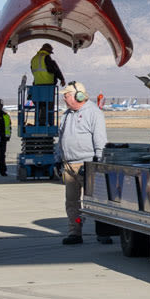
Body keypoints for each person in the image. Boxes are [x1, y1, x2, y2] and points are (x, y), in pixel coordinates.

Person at [57, 80, 108, 245]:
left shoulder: (94, 113)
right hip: (69, 165)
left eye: (66, 95)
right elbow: (61, 139)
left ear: (78, 96)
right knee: (72, 203)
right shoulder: (66, 115)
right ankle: (75, 232)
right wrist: (59, 159)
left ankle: (103, 232)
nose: (64, 99)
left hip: (87, 165)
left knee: (95, 202)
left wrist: (98, 164)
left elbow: (100, 141)